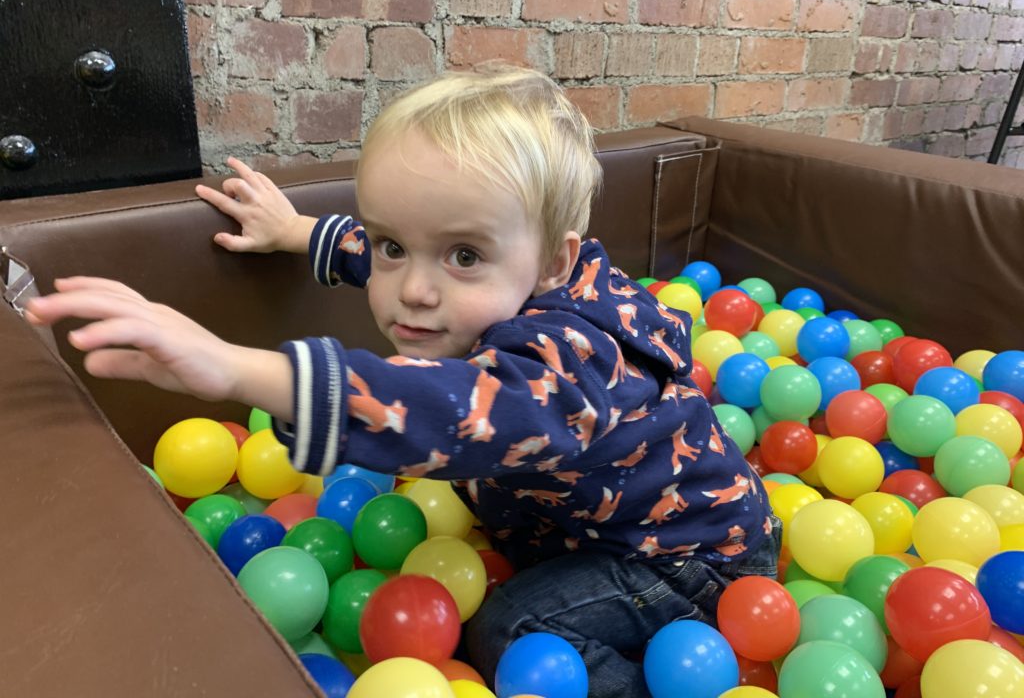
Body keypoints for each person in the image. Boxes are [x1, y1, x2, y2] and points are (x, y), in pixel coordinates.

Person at [26, 64, 778, 696]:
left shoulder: (572, 357)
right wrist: (298, 232)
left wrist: (238, 369)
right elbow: (397, 243)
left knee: (515, 630)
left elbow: (465, 412)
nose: (413, 291)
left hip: (684, 558)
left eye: (462, 257)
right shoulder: (486, 274)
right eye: (394, 247)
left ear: (554, 262)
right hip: (595, 520)